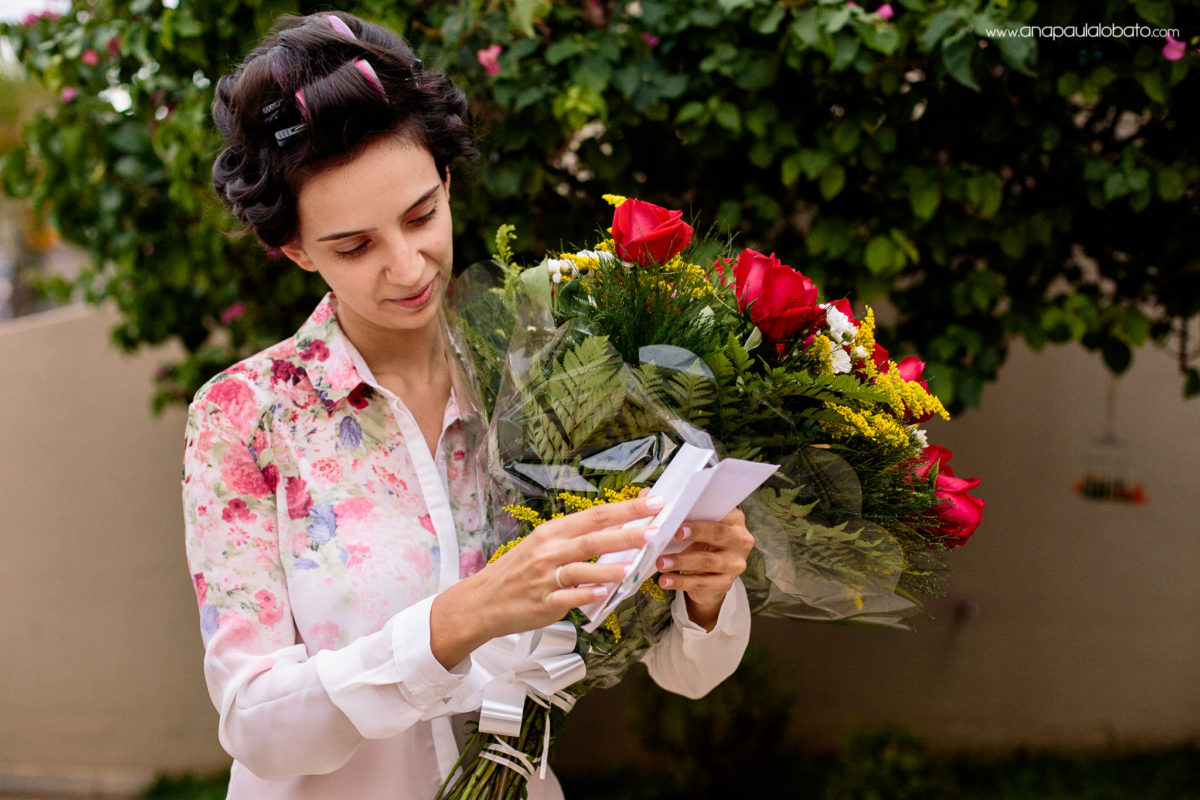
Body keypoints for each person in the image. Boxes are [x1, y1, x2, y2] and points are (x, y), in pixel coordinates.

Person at [183, 11, 753, 799]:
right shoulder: (246, 415)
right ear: (296, 250)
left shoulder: (548, 375)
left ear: (448, 181)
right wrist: (460, 619)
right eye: (354, 246)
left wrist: (705, 591)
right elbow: (257, 728)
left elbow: (683, 671)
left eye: (422, 215)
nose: (408, 264)